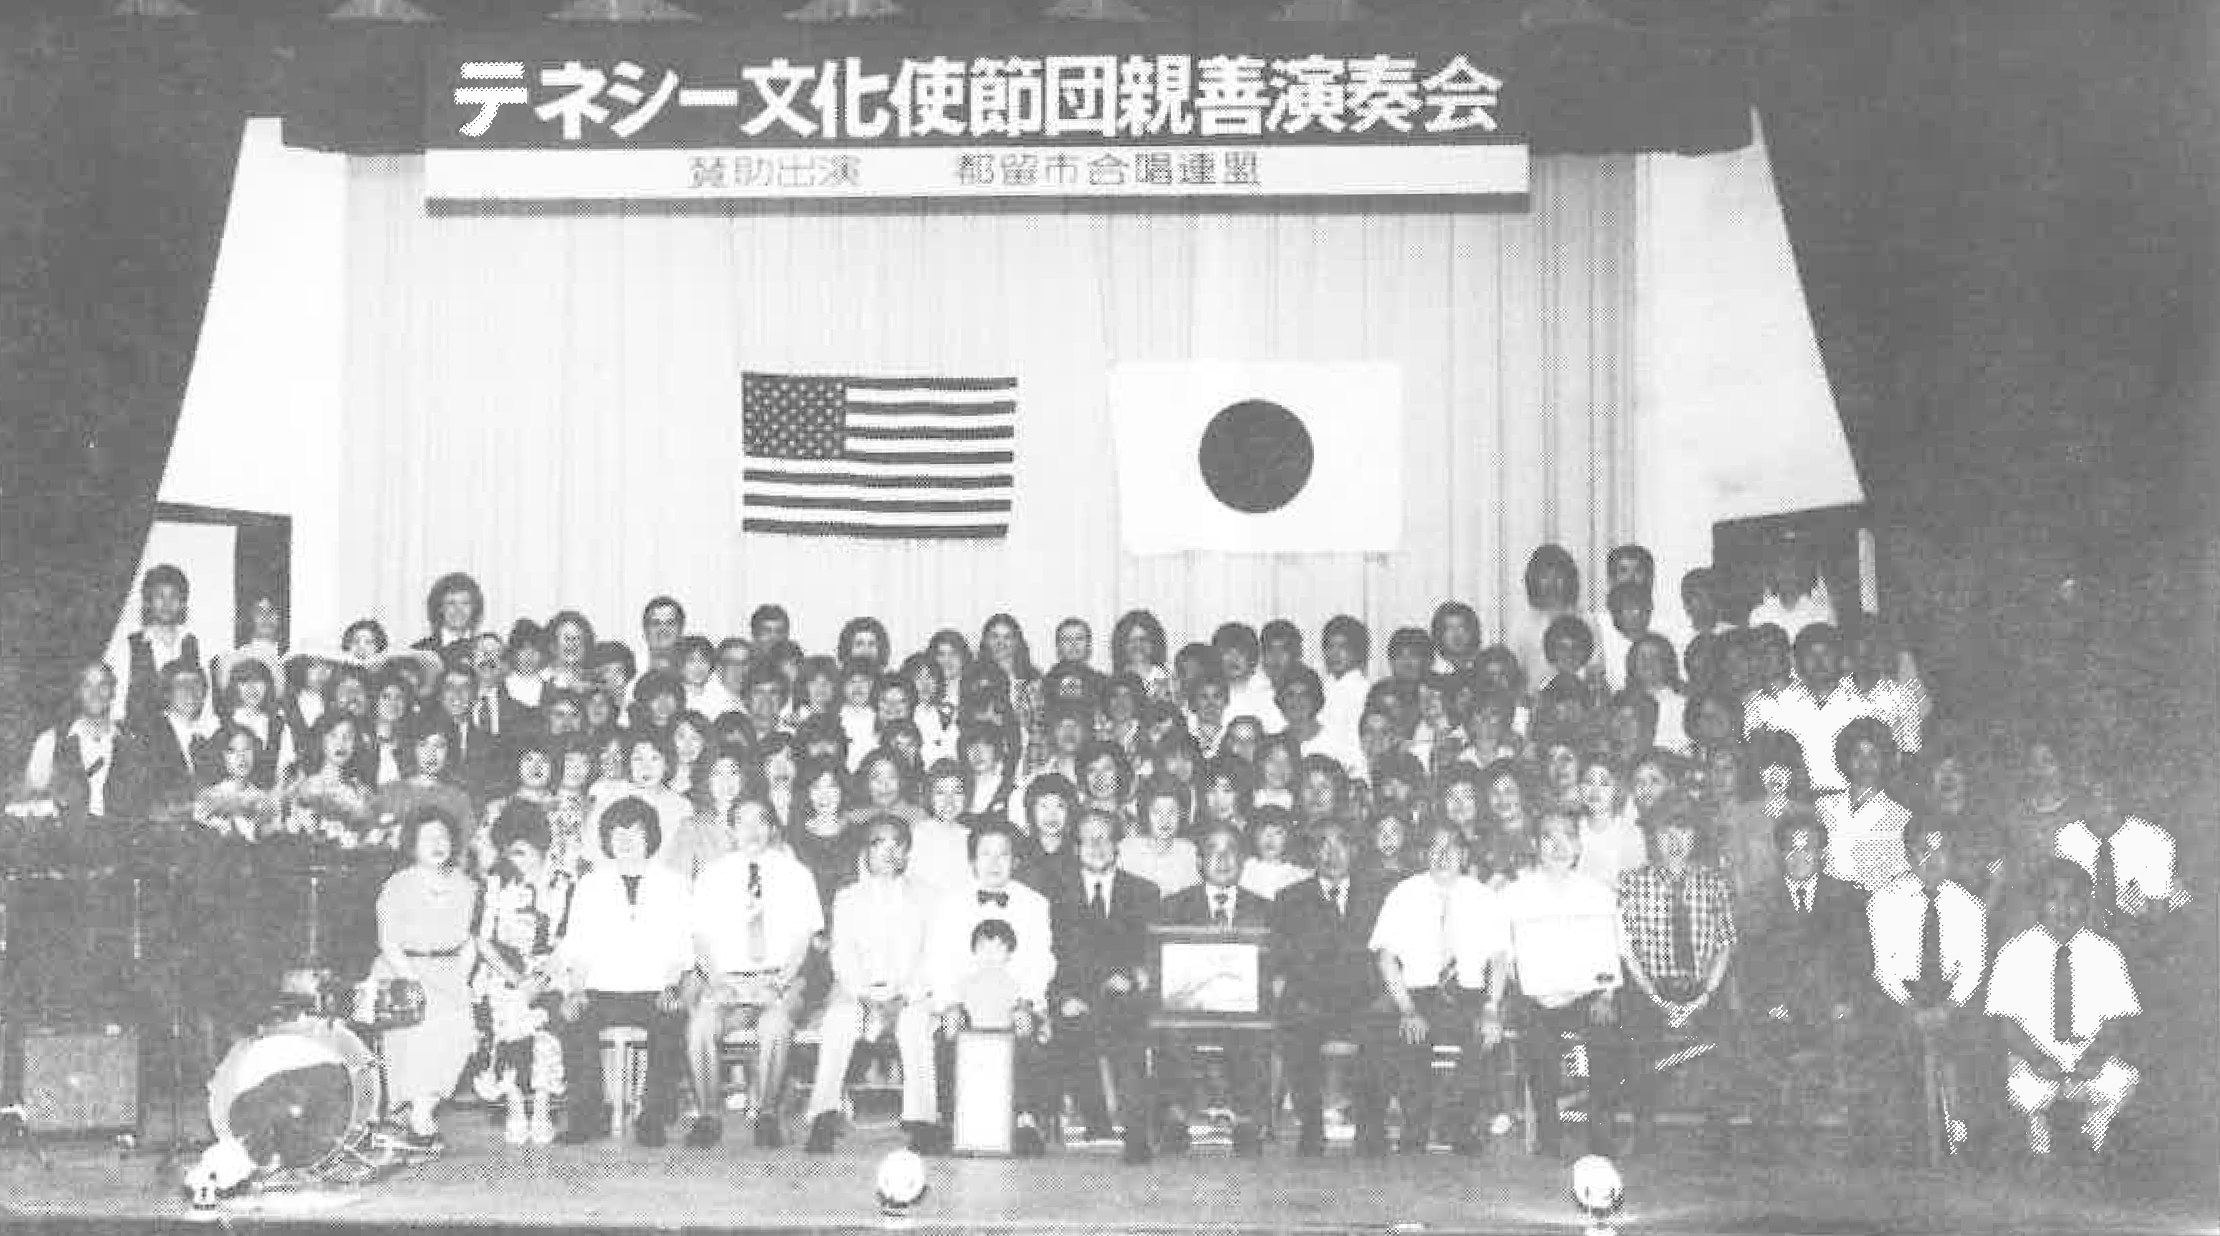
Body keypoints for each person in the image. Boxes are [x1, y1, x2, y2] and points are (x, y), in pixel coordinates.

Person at [901, 820, 1054, 1155]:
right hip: (966, 999)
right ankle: (948, 1119)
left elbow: (1040, 962)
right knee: (946, 1033)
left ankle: (1024, 1120)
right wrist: (951, 1004)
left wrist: (1025, 1002)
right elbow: (939, 959)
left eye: (1003, 854)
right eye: (985, 854)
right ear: (972, 861)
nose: (994, 863)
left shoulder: (1034, 904)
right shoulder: (951, 903)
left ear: (1015, 861)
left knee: (1026, 1033)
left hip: (1012, 999)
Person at [684, 798, 822, 1148]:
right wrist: (717, 981)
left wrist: (778, 983)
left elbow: (802, 940)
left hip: (780, 977)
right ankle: (708, 1116)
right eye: (742, 823)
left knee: (775, 1024)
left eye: (761, 822)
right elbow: (700, 938)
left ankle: (766, 1114)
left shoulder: (796, 874)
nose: (752, 831)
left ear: (772, 827)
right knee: (701, 1023)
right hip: (726, 979)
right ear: (729, 829)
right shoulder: (711, 876)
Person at [556, 796, 692, 1146]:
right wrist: (575, 991)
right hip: (603, 989)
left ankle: (652, 1116)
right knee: (572, 1017)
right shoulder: (591, 885)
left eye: (636, 832)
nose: (627, 840)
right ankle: (587, 1113)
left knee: (672, 1018)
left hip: (654, 989)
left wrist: (672, 986)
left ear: (651, 837)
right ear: (606, 839)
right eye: (618, 833)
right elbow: (579, 946)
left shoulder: (673, 884)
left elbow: (681, 945)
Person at [1986, 859, 2141, 1163]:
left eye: (2073, 898)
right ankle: (2039, 1132)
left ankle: (2094, 1127)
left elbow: (2116, 1021)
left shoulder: (2106, 953)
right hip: (2036, 1054)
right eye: (2052, 898)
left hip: (2087, 1053)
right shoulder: (2014, 953)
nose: (2063, 908)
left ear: (2086, 904)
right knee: (2019, 1089)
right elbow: (2008, 1025)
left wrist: (2092, 1059)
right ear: (2038, 905)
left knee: (2125, 1080)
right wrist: (2039, 1059)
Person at [1369, 823, 1509, 1155]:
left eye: (1453, 848)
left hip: (1468, 994)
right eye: (1436, 847)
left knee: (1486, 1037)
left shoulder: (1483, 896)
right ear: (1423, 854)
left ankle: (1459, 1123)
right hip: (1418, 992)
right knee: (1404, 1035)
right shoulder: (1404, 893)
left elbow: (1500, 959)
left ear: (1464, 854)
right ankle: (1416, 1124)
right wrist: (1406, 1009)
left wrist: (1492, 1008)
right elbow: (1386, 959)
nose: (1444, 855)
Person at [1736, 816, 1877, 1139]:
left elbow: (1861, 962)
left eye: (1808, 848)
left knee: (1860, 1043)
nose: (1799, 857)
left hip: (1833, 1009)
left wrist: (1845, 1002)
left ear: (1823, 853)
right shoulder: (1760, 898)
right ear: (1778, 853)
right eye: (1790, 849)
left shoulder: (1848, 897)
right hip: (1778, 1011)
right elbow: (1750, 963)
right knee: (1758, 1042)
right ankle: (1771, 1141)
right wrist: (1771, 1003)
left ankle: (1852, 1141)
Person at [804, 814, 933, 1154]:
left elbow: (931, 957)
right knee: (838, 1020)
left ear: (907, 853)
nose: (889, 853)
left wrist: (903, 998)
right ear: (865, 852)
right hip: (859, 991)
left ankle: (922, 1120)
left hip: (908, 993)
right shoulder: (848, 898)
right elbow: (842, 955)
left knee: (916, 1024)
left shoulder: (928, 897)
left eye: (897, 845)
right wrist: (866, 998)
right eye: (879, 844)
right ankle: (824, 1115)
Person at [1615, 801, 1740, 1151]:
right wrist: (1654, 997)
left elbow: (1725, 945)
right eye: (1665, 832)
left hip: (1701, 987)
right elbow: (1625, 950)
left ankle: (1718, 1126)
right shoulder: (1631, 884)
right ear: (1653, 837)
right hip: (1649, 986)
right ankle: (1644, 1127)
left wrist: (1705, 995)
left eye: (1683, 831)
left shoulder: (1713, 883)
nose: (1675, 841)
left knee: (1728, 1032)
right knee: (1635, 1031)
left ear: (1695, 836)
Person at [1501, 813, 1628, 1157]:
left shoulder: (1599, 894)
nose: (1558, 846)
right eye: (1548, 838)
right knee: (1536, 1039)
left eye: (1567, 837)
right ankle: (1548, 1133)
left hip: (1586, 995)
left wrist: (1605, 995)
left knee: (1606, 1034)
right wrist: (1528, 985)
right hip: (1535, 996)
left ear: (1578, 844)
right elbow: (1506, 957)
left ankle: (1600, 1133)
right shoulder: (1515, 894)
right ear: (1534, 845)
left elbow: (1612, 950)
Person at [1145, 824, 1276, 1157]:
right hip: (1188, 1007)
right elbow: (1157, 960)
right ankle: (1175, 1118)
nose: (1222, 858)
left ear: (1244, 860)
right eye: (1213, 851)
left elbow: (1279, 964)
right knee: (1170, 1027)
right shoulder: (1173, 905)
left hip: (1246, 1010)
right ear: (1200, 861)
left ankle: (1246, 1121)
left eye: (1231, 850)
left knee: (1257, 1030)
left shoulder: (1266, 909)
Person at [1866, 817, 1988, 1163]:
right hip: (1902, 994)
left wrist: (1948, 1007)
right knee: (1892, 1043)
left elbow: (1973, 968)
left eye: (1942, 850)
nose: (1932, 860)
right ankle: (1904, 1139)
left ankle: (1962, 1136)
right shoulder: (1884, 900)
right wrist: (1911, 1007)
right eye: (1923, 850)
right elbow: (1883, 968)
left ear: (1953, 855)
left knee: (1973, 1041)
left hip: (1951, 994)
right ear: (1908, 854)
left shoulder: (1969, 905)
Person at [1046, 810, 1159, 1162]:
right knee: (1072, 1019)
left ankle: (1136, 1129)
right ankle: (1096, 1119)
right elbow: (1050, 954)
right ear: (1075, 847)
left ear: (1117, 846)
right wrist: (1064, 996)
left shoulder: (1144, 892)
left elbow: (1151, 953)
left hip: (1125, 995)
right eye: (1087, 839)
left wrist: (1135, 974)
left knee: (1126, 1018)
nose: (1096, 846)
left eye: (1104, 838)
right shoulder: (1054, 895)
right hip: (1072, 993)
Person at [372, 805, 483, 1150]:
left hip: (449, 970)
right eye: (428, 838)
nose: (437, 844)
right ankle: (415, 1115)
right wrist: (414, 982)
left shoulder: (467, 887)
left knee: (462, 1030)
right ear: (412, 844)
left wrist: (460, 981)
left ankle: (423, 1107)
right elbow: (388, 942)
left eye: (444, 837)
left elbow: (470, 941)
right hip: (401, 970)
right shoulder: (398, 886)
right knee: (423, 1023)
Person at [474, 800, 573, 1145]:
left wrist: (541, 978)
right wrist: (518, 981)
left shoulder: (563, 883)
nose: (518, 861)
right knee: (508, 1005)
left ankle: (543, 1107)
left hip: (550, 970)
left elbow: (567, 941)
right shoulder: (495, 883)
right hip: (503, 970)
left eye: (524, 851)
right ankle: (515, 1105)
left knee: (547, 1014)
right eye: (511, 853)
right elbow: (482, 941)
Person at [14, 661, 149, 823]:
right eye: (87, 686)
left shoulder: (132, 744)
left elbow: (144, 804)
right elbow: (28, 798)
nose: (95, 693)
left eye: (103, 685)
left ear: (113, 692)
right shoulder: (50, 741)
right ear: (78, 692)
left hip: (121, 841)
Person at [1819, 718, 1914, 893]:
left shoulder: (1899, 817)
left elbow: (1901, 878)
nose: (1865, 764)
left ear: (1884, 760)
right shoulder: (1825, 808)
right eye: (1857, 754)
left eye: (1873, 755)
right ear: (1846, 759)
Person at [122, 563, 201, 731]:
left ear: (182, 603)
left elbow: (203, 700)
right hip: (142, 740)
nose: (167, 603)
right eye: (160, 596)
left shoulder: (192, 644)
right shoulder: (130, 646)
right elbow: (118, 706)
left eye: (174, 597)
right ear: (149, 601)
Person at [1117, 774, 1200, 896]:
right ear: (1145, 814)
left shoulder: (1191, 853)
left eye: (1172, 812)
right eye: (1156, 812)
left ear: (1182, 814)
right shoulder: (1125, 850)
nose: (1165, 820)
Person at [1214, 623, 1284, 734]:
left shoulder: (1268, 695)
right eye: (1227, 652)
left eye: (1241, 652)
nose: (1234, 659)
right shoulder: (1209, 695)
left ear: (1252, 657)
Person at [412, 572, 485, 654]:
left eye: (465, 603)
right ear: (440, 608)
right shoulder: (420, 651)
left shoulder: (487, 651)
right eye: (451, 603)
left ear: (474, 608)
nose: (458, 610)